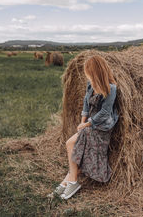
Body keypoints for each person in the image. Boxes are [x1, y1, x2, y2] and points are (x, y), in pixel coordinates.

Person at [48, 55, 119, 200]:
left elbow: (105, 113)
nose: (86, 75)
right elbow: (86, 105)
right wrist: (82, 122)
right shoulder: (90, 84)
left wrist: (87, 124)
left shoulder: (111, 88)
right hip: (89, 125)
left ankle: (70, 183)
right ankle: (67, 182)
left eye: (88, 71)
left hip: (101, 128)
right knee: (76, 149)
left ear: (96, 71)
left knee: (71, 144)